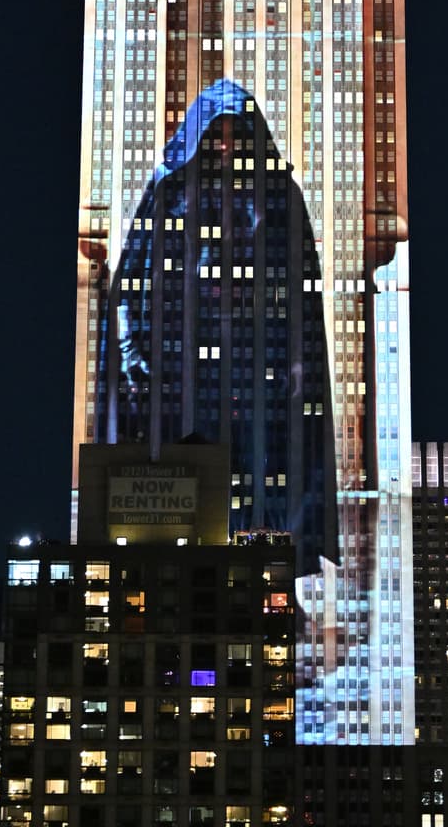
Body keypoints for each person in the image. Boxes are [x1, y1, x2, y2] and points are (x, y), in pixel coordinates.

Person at [97, 77, 336, 575]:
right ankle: (183, 566)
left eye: (236, 135)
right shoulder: (170, 193)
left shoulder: (279, 196)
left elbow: (300, 283)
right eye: (217, 135)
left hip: (255, 360)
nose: (227, 146)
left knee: (260, 463)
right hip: (183, 361)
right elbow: (132, 279)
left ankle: (261, 568)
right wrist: (133, 351)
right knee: (190, 459)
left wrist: (296, 357)